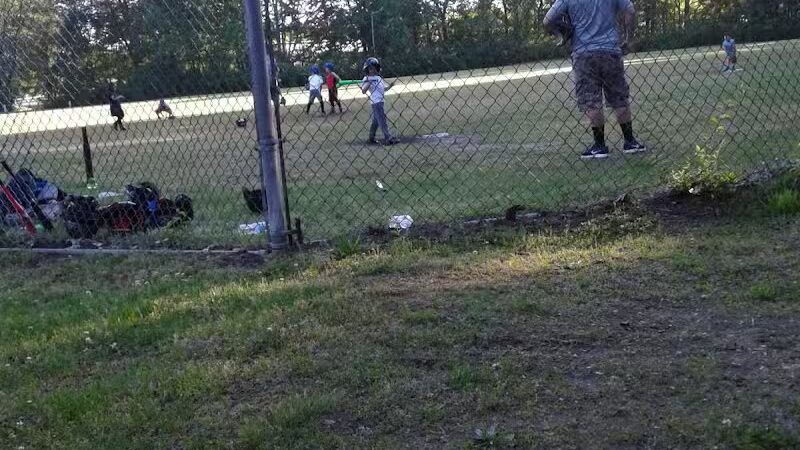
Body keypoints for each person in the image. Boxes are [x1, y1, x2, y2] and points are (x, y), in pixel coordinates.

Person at [544, 0, 646, 159]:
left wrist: (561, 35)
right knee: (619, 96)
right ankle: (630, 141)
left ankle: (599, 145)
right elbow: (630, 11)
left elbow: (548, 20)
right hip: (610, 50)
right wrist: (628, 39)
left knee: (591, 99)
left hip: (583, 52)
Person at [361, 57, 398, 145]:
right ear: (367, 69)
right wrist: (369, 82)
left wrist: (390, 86)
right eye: (370, 69)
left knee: (376, 121)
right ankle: (388, 138)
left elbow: (383, 89)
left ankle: (371, 138)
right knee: (382, 120)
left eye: (374, 68)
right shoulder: (367, 78)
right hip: (376, 102)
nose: (372, 70)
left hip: (380, 101)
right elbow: (363, 90)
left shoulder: (378, 78)